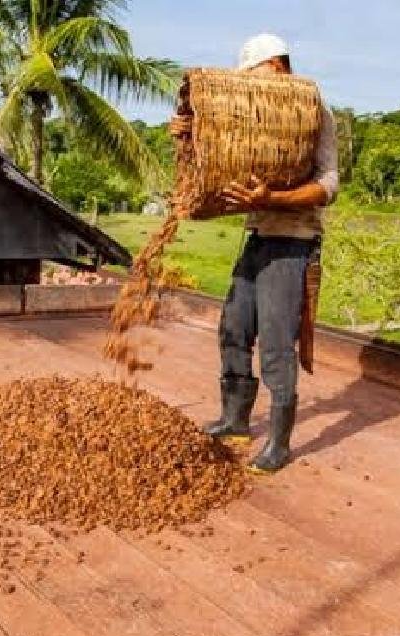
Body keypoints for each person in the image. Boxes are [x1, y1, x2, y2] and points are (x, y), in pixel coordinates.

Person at [170, 33, 339, 473]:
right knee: (233, 327)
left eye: (257, 76)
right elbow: (223, 154)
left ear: (278, 67)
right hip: (258, 238)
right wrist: (188, 134)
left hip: (293, 241)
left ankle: (279, 445)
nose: (253, 86)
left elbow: (329, 185)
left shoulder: (315, 111)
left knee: (277, 345)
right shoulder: (252, 118)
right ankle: (235, 420)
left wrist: (274, 199)